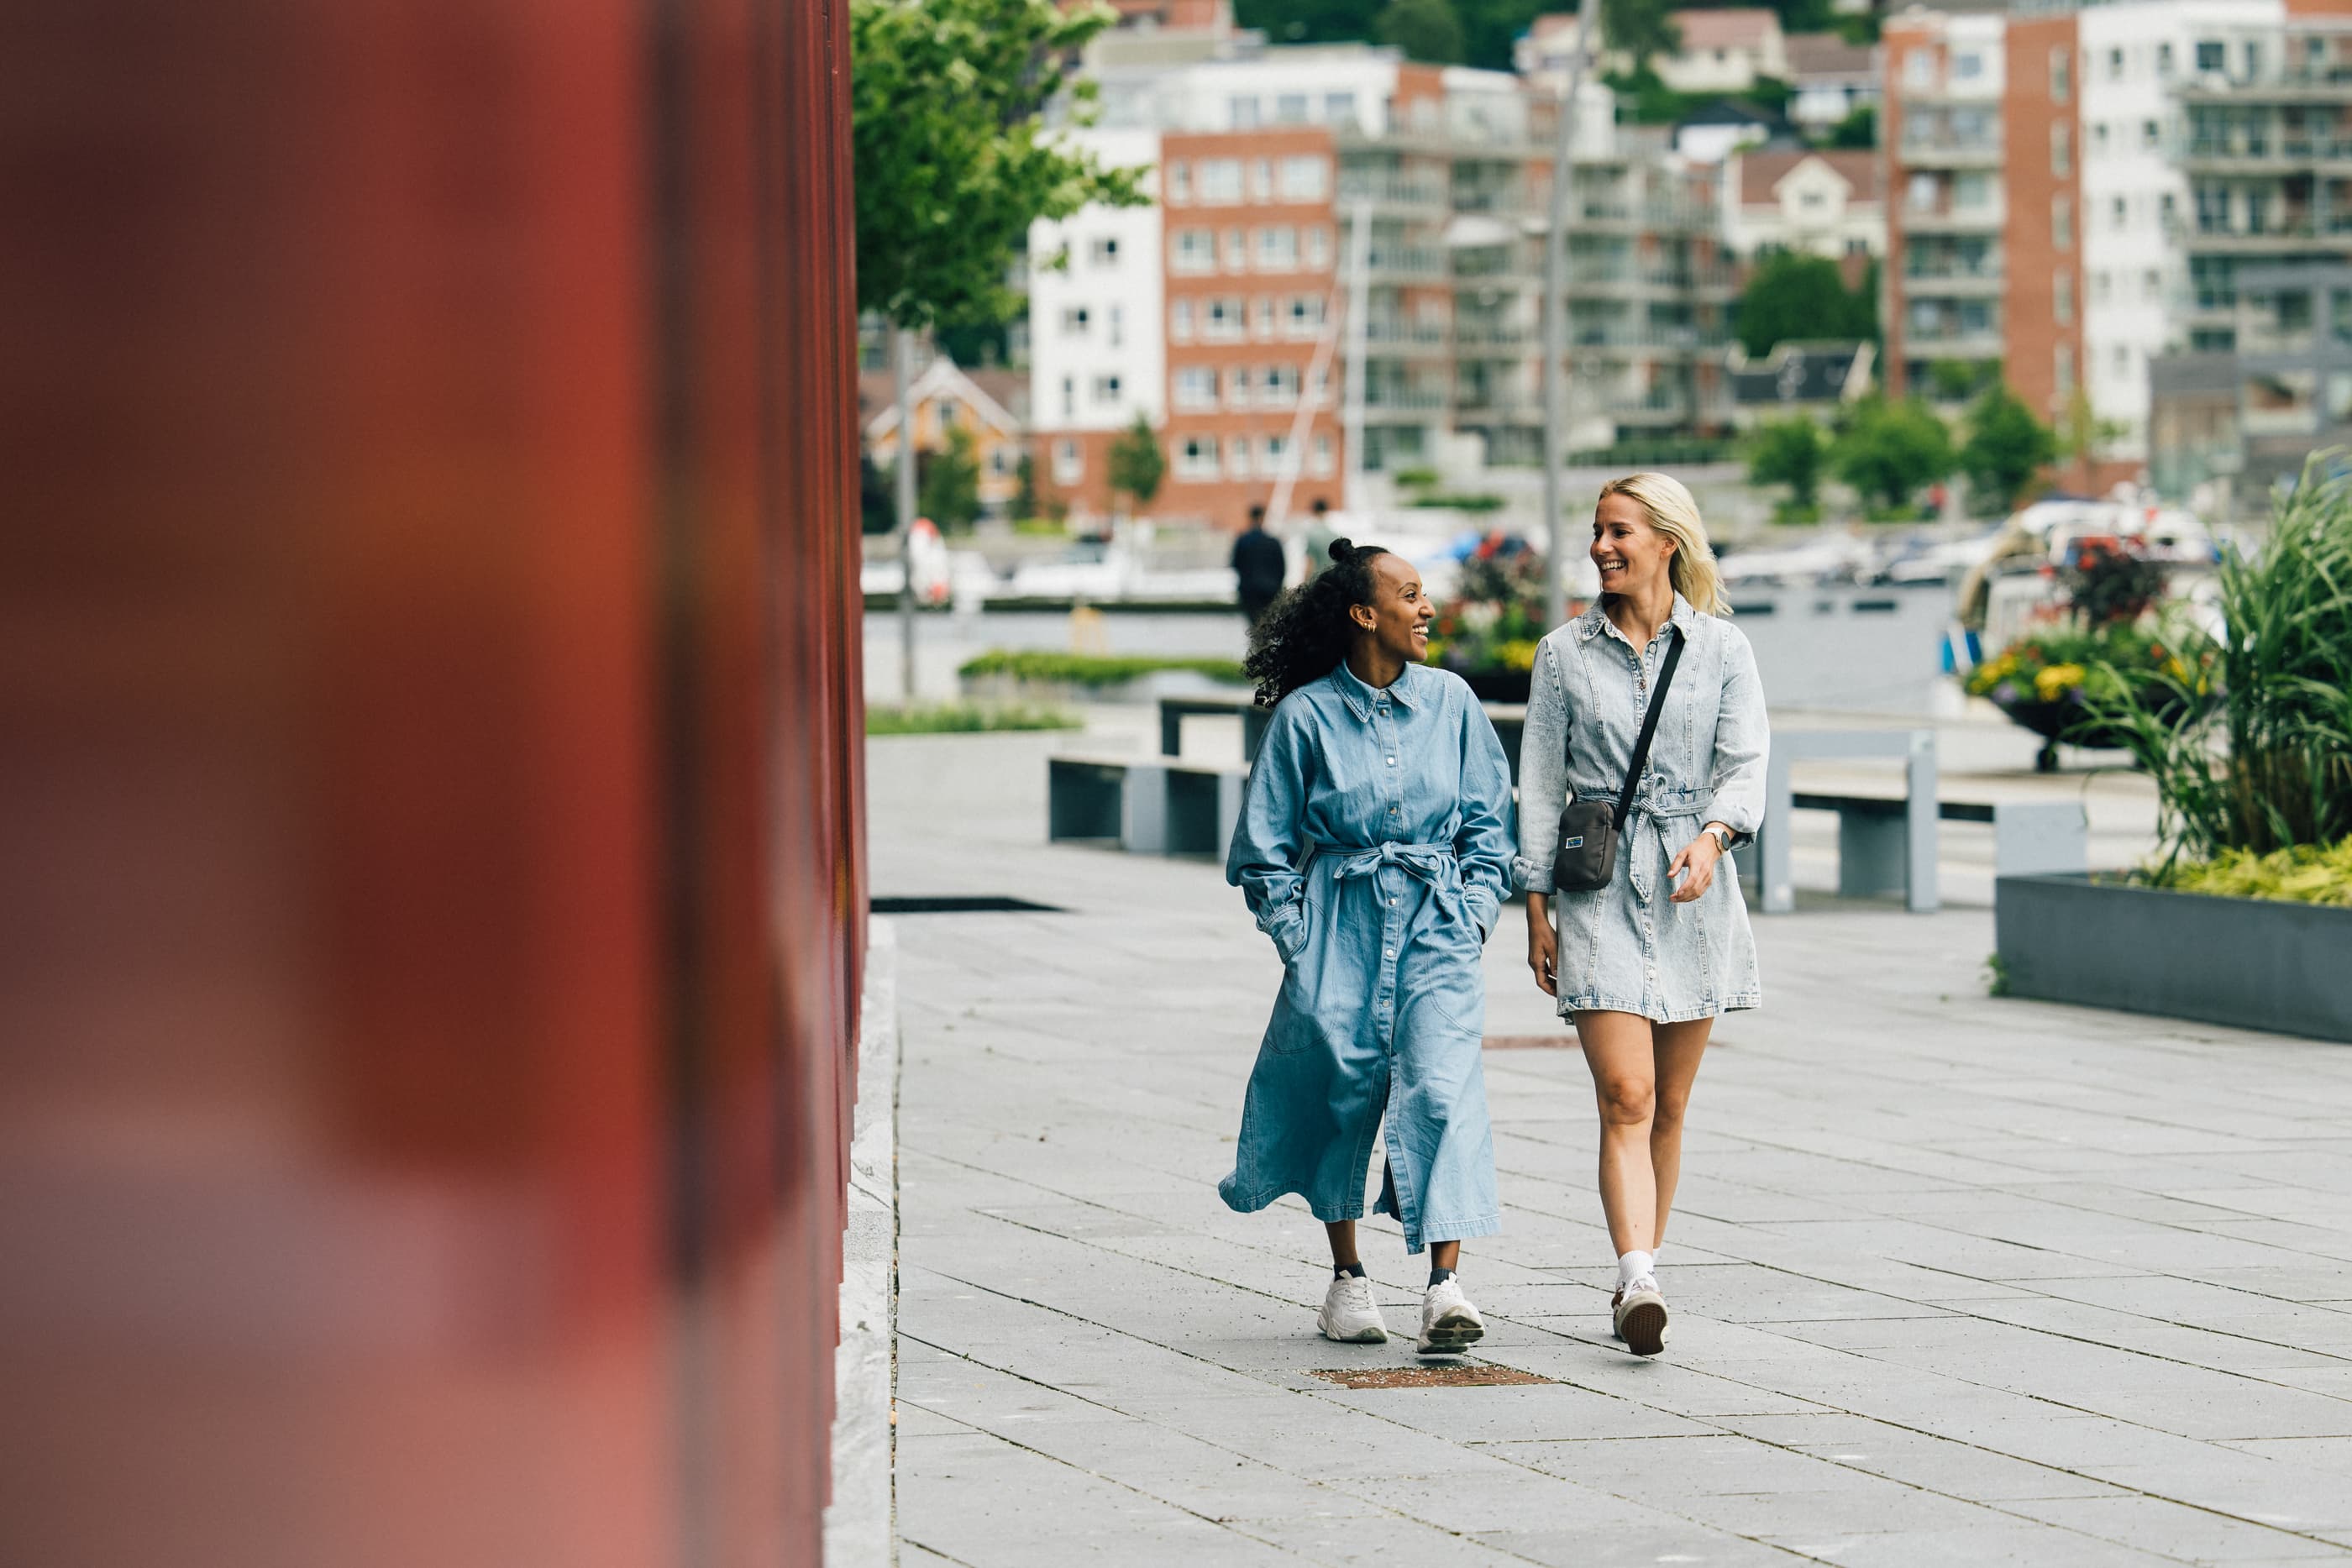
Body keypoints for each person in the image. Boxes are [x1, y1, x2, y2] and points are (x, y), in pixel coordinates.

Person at [1221, 538, 1517, 1355]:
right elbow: (1261, 847)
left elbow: (1491, 825)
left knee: (1442, 1086)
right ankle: (1347, 1280)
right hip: (1339, 925)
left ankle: (1444, 1286)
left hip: (1437, 925)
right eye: (1411, 595)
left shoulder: (1453, 704)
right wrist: (1298, 939)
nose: (1428, 610)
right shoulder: (1305, 718)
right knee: (1343, 1090)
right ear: (1364, 613)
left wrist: (1474, 911)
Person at [1515, 474, 1767, 1358]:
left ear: (1668, 541)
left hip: (1692, 887)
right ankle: (1636, 1276)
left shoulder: (1723, 650)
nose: (1600, 546)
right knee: (1625, 1094)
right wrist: (1535, 908)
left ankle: (1641, 1262)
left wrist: (1713, 837)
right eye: (1595, 531)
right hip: (1596, 887)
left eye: (1618, 530)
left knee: (1670, 1104)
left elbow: (1745, 763)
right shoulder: (1561, 654)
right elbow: (1540, 787)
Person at [1231, 504, 1287, 626]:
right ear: (1262, 518)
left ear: (1250, 518)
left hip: (1249, 590)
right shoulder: (1273, 542)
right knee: (1267, 625)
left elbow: (1235, 564)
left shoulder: (1242, 541)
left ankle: (1257, 644)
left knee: (1254, 626)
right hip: (1270, 590)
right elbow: (1282, 568)